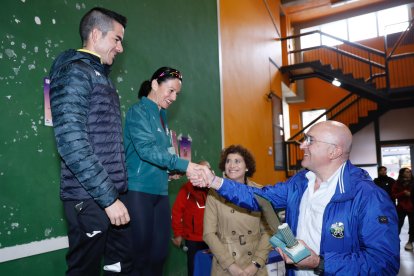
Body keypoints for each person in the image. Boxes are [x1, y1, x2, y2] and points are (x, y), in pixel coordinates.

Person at [190, 121, 400, 275]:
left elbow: (384, 262)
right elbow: (260, 197)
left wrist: (320, 262)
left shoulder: (369, 197)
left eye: (310, 140)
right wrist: (215, 181)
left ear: (334, 151)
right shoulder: (300, 183)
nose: (301, 146)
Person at [49, 7, 131, 275]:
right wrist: (108, 199)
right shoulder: (76, 73)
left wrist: (115, 194)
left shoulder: (100, 78)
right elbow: (72, 142)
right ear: (96, 34)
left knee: (116, 267)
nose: (120, 48)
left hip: (109, 195)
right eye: (117, 39)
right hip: (90, 198)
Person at [124, 66, 204, 276]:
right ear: (154, 85)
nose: (174, 97)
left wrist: (170, 171)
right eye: (170, 90)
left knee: (159, 254)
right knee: (140, 256)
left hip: (159, 191)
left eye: (177, 93)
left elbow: (163, 152)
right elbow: (147, 151)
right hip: (139, 190)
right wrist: (185, 165)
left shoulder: (162, 116)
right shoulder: (137, 112)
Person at [203, 145, 272, 276]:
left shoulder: (259, 192)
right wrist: (231, 265)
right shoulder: (214, 193)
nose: (231, 165)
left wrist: (256, 263)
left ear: (247, 167)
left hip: (255, 266)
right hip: (225, 266)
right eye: (228, 161)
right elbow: (208, 233)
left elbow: (269, 231)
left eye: (237, 161)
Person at [171, 160, 212, 276]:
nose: (203, 174)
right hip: (193, 240)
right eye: (200, 171)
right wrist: (178, 234)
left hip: (212, 238)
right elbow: (176, 212)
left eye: (206, 171)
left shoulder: (213, 190)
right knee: (194, 271)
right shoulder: (186, 190)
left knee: (210, 270)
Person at [392, 167, 414, 251]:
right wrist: (403, 193)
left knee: (412, 225)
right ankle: (394, 240)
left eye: (409, 172)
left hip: (412, 207)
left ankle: (410, 242)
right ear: (402, 173)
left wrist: (410, 194)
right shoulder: (397, 183)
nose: (408, 173)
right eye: (406, 172)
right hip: (401, 207)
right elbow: (393, 195)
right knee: (398, 224)